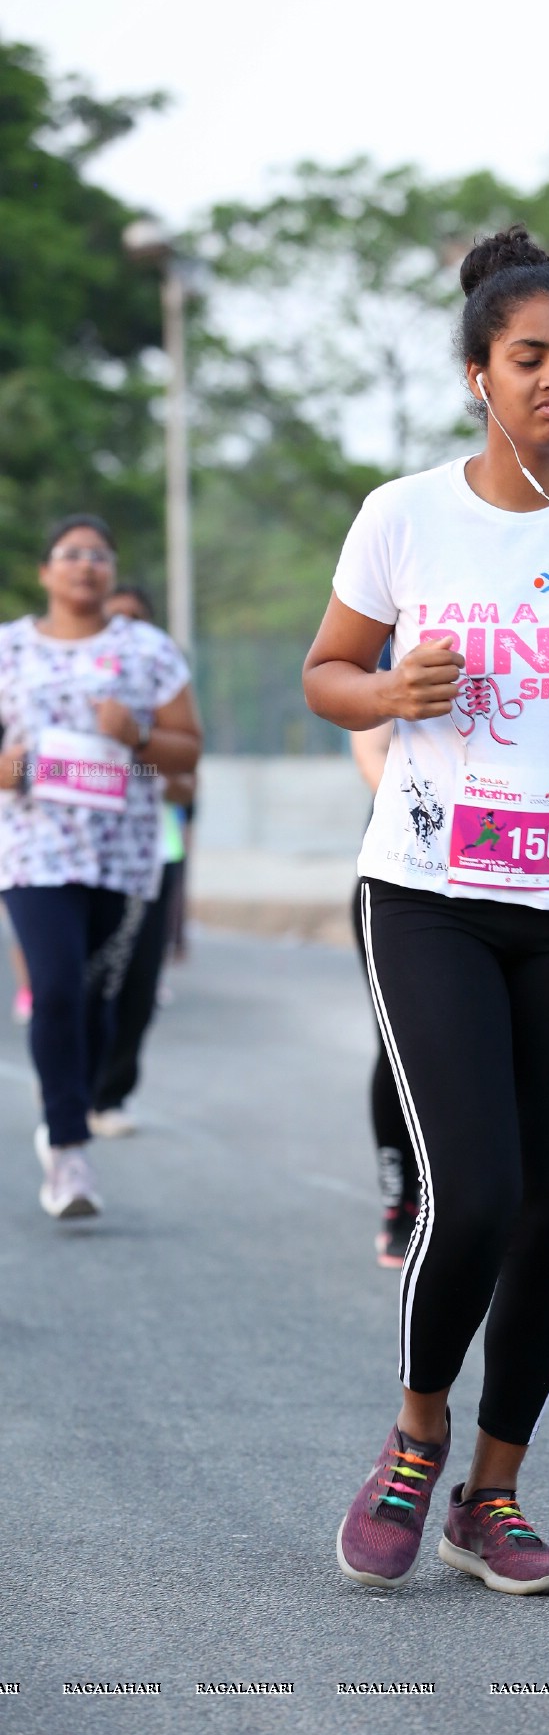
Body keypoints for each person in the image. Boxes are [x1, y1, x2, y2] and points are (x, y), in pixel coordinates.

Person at [303, 226, 549, 1595]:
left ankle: (496, 1493)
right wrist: (385, 695)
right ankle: (413, 1446)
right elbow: (326, 673)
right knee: (471, 1191)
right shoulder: (405, 512)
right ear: (478, 370)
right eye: (529, 358)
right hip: (428, 890)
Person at [0, 517, 202, 1216]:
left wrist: (138, 736)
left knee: (95, 1002)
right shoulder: (9, 650)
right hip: (35, 849)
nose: (86, 565)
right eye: (71, 554)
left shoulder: (147, 651)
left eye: (99, 555)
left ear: (112, 571)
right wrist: (15, 767)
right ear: (46, 571)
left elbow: (185, 753)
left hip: (123, 853)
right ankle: (67, 1153)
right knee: (53, 989)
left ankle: (73, 1104)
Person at [88, 582, 197, 1136]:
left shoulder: (163, 691)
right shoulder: (71, 691)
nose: (125, 628)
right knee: (77, 978)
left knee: (136, 983)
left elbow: (184, 784)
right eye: (115, 618)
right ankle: (70, 1076)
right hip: (79, 858)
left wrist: (140, 749)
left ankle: (110, 1097)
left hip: (153, 855)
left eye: (137, 619)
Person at [349, 715, 421, 1267]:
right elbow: (371, 750)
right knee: (403, 1047)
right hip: (415, 880)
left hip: (532, 880)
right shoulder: (405, 635)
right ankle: (401, 1199)